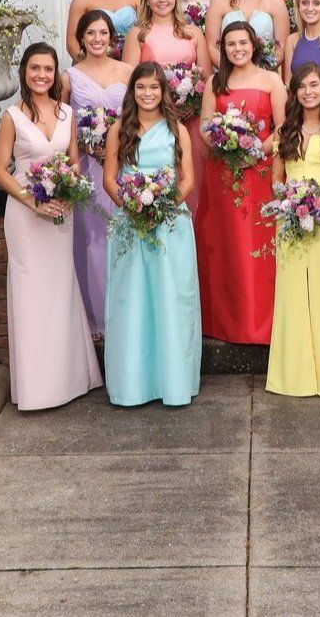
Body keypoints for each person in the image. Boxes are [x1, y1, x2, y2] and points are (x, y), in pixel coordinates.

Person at [0, 43, 103, 409]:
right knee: (30, 294)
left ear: (56, 74)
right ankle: (36, 387)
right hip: (26, 215)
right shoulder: (12, 116)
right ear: (24, 71)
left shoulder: (68, 113)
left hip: (61, 213)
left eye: (48, 69)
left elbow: (73, 162)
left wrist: (68, 195)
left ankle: (68, 380)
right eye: (35, 68)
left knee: (60, 291)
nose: (41, 75)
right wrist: (31, 200)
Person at [102, 63, 202, 406]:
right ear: (133, 91)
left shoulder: (177, 130)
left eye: (154, 88)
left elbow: (187, 179)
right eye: (141, 88)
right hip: (130, 224)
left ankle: (173, 383)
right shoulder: (119, 129)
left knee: (172, 299)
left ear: (163, 92)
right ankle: (132, 385)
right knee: (132, 302)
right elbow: (110, 179)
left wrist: (160, 208)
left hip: (170, 224)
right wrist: (134, 208)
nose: (147, 94)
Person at [195, 21, 286, 344]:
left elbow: (284, 127)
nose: (237, 49)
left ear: (253, 45)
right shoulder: (215, 83)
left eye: (243, 43)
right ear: (223, 48)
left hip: (260, 171)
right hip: (223, 172)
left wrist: (255, 150)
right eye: (231, 44)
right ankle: (224, 322)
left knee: (256, 247)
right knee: (225, 245)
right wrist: (223, 145)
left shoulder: (271, 80)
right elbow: (205, 125)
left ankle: (261, 322)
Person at [266, 64, 320, 399]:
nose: (308, 92)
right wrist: (289, 203)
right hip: (289, 220)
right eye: (301, 86)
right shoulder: (284, 131)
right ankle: (293, 374)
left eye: (314, 85)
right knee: (291, 294)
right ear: (295, 92)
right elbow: (277, 177)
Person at [60, 11, 133, 337]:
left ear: (112, 37)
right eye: (91, 33)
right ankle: (94, 319)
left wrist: (119, 146)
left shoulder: (128, 72)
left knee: (125, 236)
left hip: (124, 164)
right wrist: (85, 146)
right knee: (91, 241)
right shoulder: (69, 77)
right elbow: (62, 122)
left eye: (103, 33)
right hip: (87, 166)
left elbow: (138, 117)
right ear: (81, 38)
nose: (98, 39)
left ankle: (126, 312)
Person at [123, 0, 211, 214]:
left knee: (192, 183)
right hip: (152, 123)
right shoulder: (138, 34)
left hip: (188, 121)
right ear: (147, 0)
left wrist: (192, 102)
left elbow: (206, 79)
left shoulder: (193, 33)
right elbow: (130, 82)